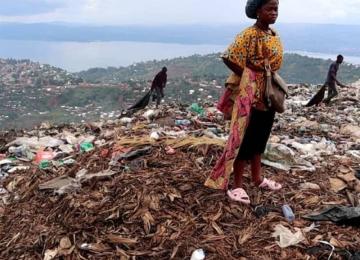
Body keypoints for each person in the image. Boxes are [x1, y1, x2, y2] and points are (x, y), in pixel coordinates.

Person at [204, 0, 283, 204]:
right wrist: (248, 76)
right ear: (258, 11)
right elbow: (228, 56)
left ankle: (257, 178)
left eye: (276, 8)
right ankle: (237, 185)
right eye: (269, 9)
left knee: (260, 138)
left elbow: (274, 64)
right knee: (244, 139)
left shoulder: (272, 34)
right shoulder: (249, 34)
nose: (274, 12)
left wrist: (264, 78)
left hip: (267, 92)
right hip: (250, 93)